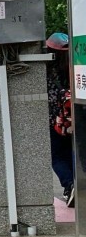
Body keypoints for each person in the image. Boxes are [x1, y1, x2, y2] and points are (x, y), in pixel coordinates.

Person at [46, 32, 75, 207]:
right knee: (74, 154)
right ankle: (77, 186)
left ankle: (69, 184)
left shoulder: (47, 71)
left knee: (57, 156)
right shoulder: (75, 68)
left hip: (55, 122)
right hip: (76, 120)